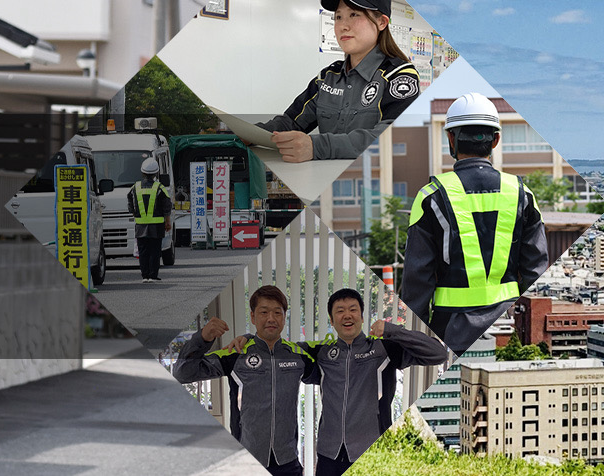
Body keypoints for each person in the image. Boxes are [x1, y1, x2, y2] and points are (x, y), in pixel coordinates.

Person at [230, 289, 448, 474]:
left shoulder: (383, 350)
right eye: (340, 311)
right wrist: (250, 340)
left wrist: (393, 330)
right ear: (332, 321)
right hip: (328, 456)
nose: (347, 316)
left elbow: (438, 353)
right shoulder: (320, 353)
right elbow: (278, 350)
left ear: (362, 317)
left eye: (353, 310)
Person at [400, 92, 547, 354]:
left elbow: (416, 284)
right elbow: (537, 271)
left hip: (450, 330)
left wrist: (416, 342)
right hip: (508, 326)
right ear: (497, 140)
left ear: (451, 139)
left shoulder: (430, 197)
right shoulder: (522, 194)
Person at [257, 0, 420, 162]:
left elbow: (392, 140)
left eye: (354, 15)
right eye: (338, 17)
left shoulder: (400, 76)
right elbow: (290, 122)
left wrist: (317, 147)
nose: (343, 26)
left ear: (382, 22)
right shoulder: (327, 77)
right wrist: (253, 133)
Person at [172, 286, 316, 476]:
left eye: (277, 313)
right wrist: (202, 338)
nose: (271, 318)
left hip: (288, 462)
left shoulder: (299, 355)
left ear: (284, 317)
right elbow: (183, 373)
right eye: (264, 312)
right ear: (253, 317)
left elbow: (336, 366)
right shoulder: (236, 354)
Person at [127, 157, 172, 282]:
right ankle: (153, 275)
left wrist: (135, 214)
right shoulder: (160, 187)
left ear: (142, 172)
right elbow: (167, 207)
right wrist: (167, 222)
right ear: (156, 173)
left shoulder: (134, 187)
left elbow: (130, 204)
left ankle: (145, 275)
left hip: (140, 225)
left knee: (143, 251)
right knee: (155, 251)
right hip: (156, 226)